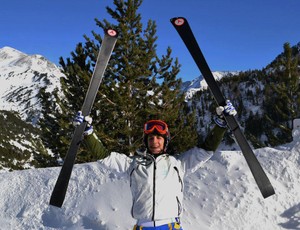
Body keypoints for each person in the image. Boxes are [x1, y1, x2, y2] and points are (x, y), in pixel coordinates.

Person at [74, 100, 237, 230]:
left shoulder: (178, 164)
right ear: (146, 142)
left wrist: (221, 126)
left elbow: (205, 150)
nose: (154, 141)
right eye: (151, 138)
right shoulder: (133, 165)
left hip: (171, 226)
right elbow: (105, 156)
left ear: (165, 141)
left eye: (159, 138)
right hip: (143, 227)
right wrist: (88, 134)